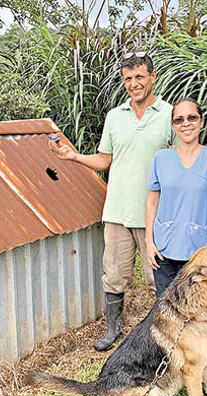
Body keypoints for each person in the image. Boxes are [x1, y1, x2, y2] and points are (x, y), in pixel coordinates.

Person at [48, 51, 176, 352]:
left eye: (140, 76)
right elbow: (105, 160)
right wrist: (73, 156)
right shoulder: (115, 117)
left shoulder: (169, 114)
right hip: (118, 211)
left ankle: (165, 333)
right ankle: (113, 328)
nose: (134, 83)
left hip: (154, 214)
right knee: (114, 274)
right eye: (128, 78)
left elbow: (179, 161)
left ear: (152, 77)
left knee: (159, 277)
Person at [145, 98, 207, 297]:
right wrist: (148, 241)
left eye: (191, 117)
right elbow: (152, 201)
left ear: (201, 121)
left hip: (198, 249)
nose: (185, 123)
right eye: (179, 120)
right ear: (173, 125)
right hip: (163, 246)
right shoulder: (160, 159)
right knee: (166, 307)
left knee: (195, 307)